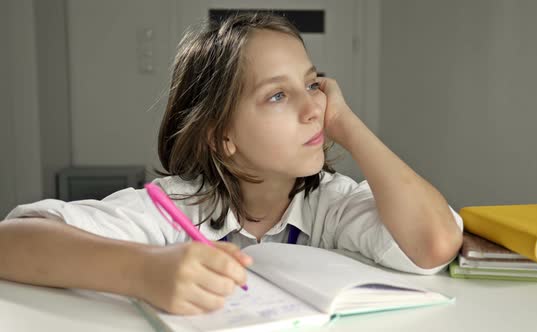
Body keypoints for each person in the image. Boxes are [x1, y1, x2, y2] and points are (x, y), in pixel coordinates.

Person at [0, 13, 463, 315]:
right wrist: (145, 271)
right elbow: (11, 243)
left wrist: (348, 124)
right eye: (278, 95)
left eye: (313, 85)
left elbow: (436, 242)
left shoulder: (330, 203)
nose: (313, 109)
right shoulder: (176, 208)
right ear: (222, 136)